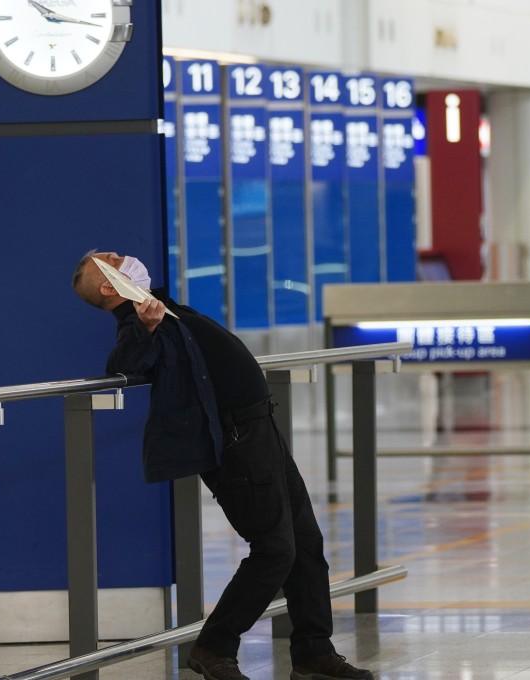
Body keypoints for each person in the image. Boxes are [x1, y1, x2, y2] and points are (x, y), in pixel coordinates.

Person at [71, 250, 374, 680]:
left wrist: (153, 312)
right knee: (275, 549)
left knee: (306, 545)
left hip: (261, 430)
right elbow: (123, 364)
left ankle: (312, 654)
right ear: (107, 286)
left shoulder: (161, 306)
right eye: (113, 260)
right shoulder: (140, 322)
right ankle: (214, 646)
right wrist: (145, 324)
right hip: (236, 444)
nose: (125, 256)